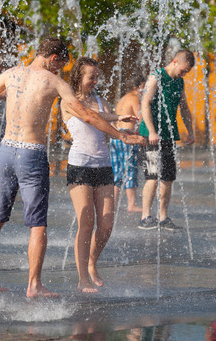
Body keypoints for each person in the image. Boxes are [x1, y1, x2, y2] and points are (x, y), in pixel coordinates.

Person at [0, 38, 145, 299]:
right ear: (53, 59)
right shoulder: (54, 82)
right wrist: (120, 135)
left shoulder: (10, 74)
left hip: (6, 152)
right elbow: (86, 115)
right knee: (38, 224)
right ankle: (34, 285)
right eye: (61, 65)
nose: (62, 71)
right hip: (31, 155)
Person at [61, 57, 146, 293]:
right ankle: (82, 279)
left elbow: (104, 117)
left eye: (97, 76)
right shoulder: (69, 101)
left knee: (107, 224)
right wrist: (121, 132)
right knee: (86, 223)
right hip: (80, 167)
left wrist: (124, 125)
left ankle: (92, 262)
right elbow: (90, 116)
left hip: (104, 167)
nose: (96, 81)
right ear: (79, 76)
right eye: (92, 77)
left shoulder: (100, 100)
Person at [138, 50, 195, 230]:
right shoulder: (156, 77)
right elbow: (145, 103)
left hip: (169, 136)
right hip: (150, 136)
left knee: (168, 177)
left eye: (186, 72)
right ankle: (145, 216)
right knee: (153, 176)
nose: (183, 74)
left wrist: (190, 131)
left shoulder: (179, 81)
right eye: (183, 70)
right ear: (175, 61)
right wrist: (152, 131)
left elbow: (184, 107)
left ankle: (163, 217)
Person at [110, 75, 146, 212]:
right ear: (136, 87)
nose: (146, 90)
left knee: (117, 171)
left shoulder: (123, 98)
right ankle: (132, 204)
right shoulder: (135, 98)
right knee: (130, 168)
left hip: (116, 136)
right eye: (144, 87)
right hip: (128, 138)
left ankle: (113, 204)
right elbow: (141, 118)